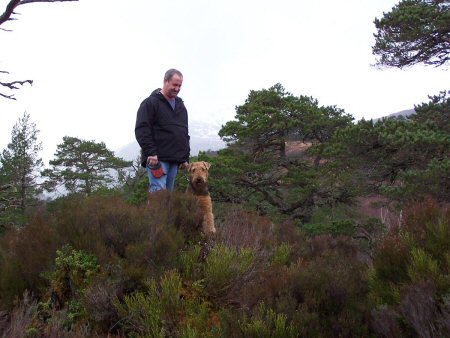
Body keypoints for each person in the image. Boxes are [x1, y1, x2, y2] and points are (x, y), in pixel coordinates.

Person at [135, 69, 190, 193]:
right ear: (165, 81)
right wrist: (151, 152)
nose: (177, 88)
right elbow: (142, 129)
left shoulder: (181, 106)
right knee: (158, 196)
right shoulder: (150, 103)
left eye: (180, 85)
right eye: (174, 85)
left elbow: (184, 133)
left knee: (167, 197)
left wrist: (184, 158)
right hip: (157, 160)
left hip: (175, 160)